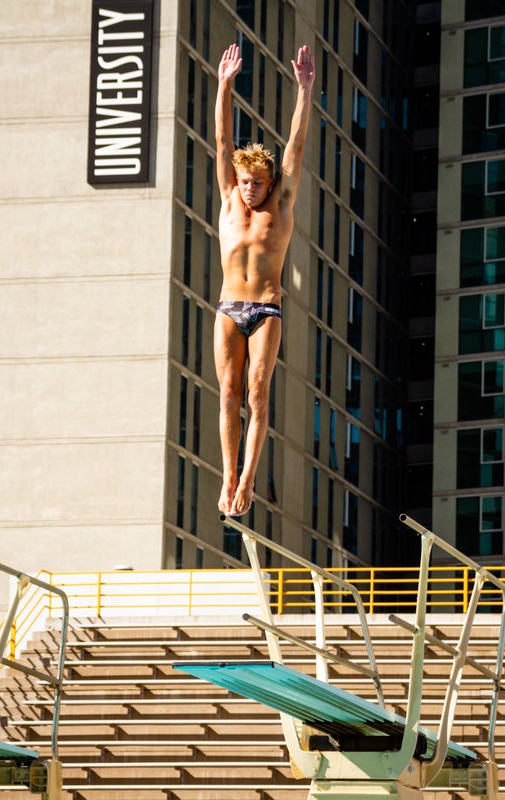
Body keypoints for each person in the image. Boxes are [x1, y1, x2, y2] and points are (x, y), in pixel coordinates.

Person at [214, 42, 315, 517]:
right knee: (229, 393)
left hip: (266, 307)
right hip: (229, 308)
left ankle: (249, 480)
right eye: (244, 181)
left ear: (271, 182)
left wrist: (304, 90)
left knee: (257, 392)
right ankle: (228, 474)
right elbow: (221, 138)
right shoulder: (230, 200)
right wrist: (223, 86)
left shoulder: (282, 204)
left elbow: (294, 145)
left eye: (258, 182)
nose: (250, 189)